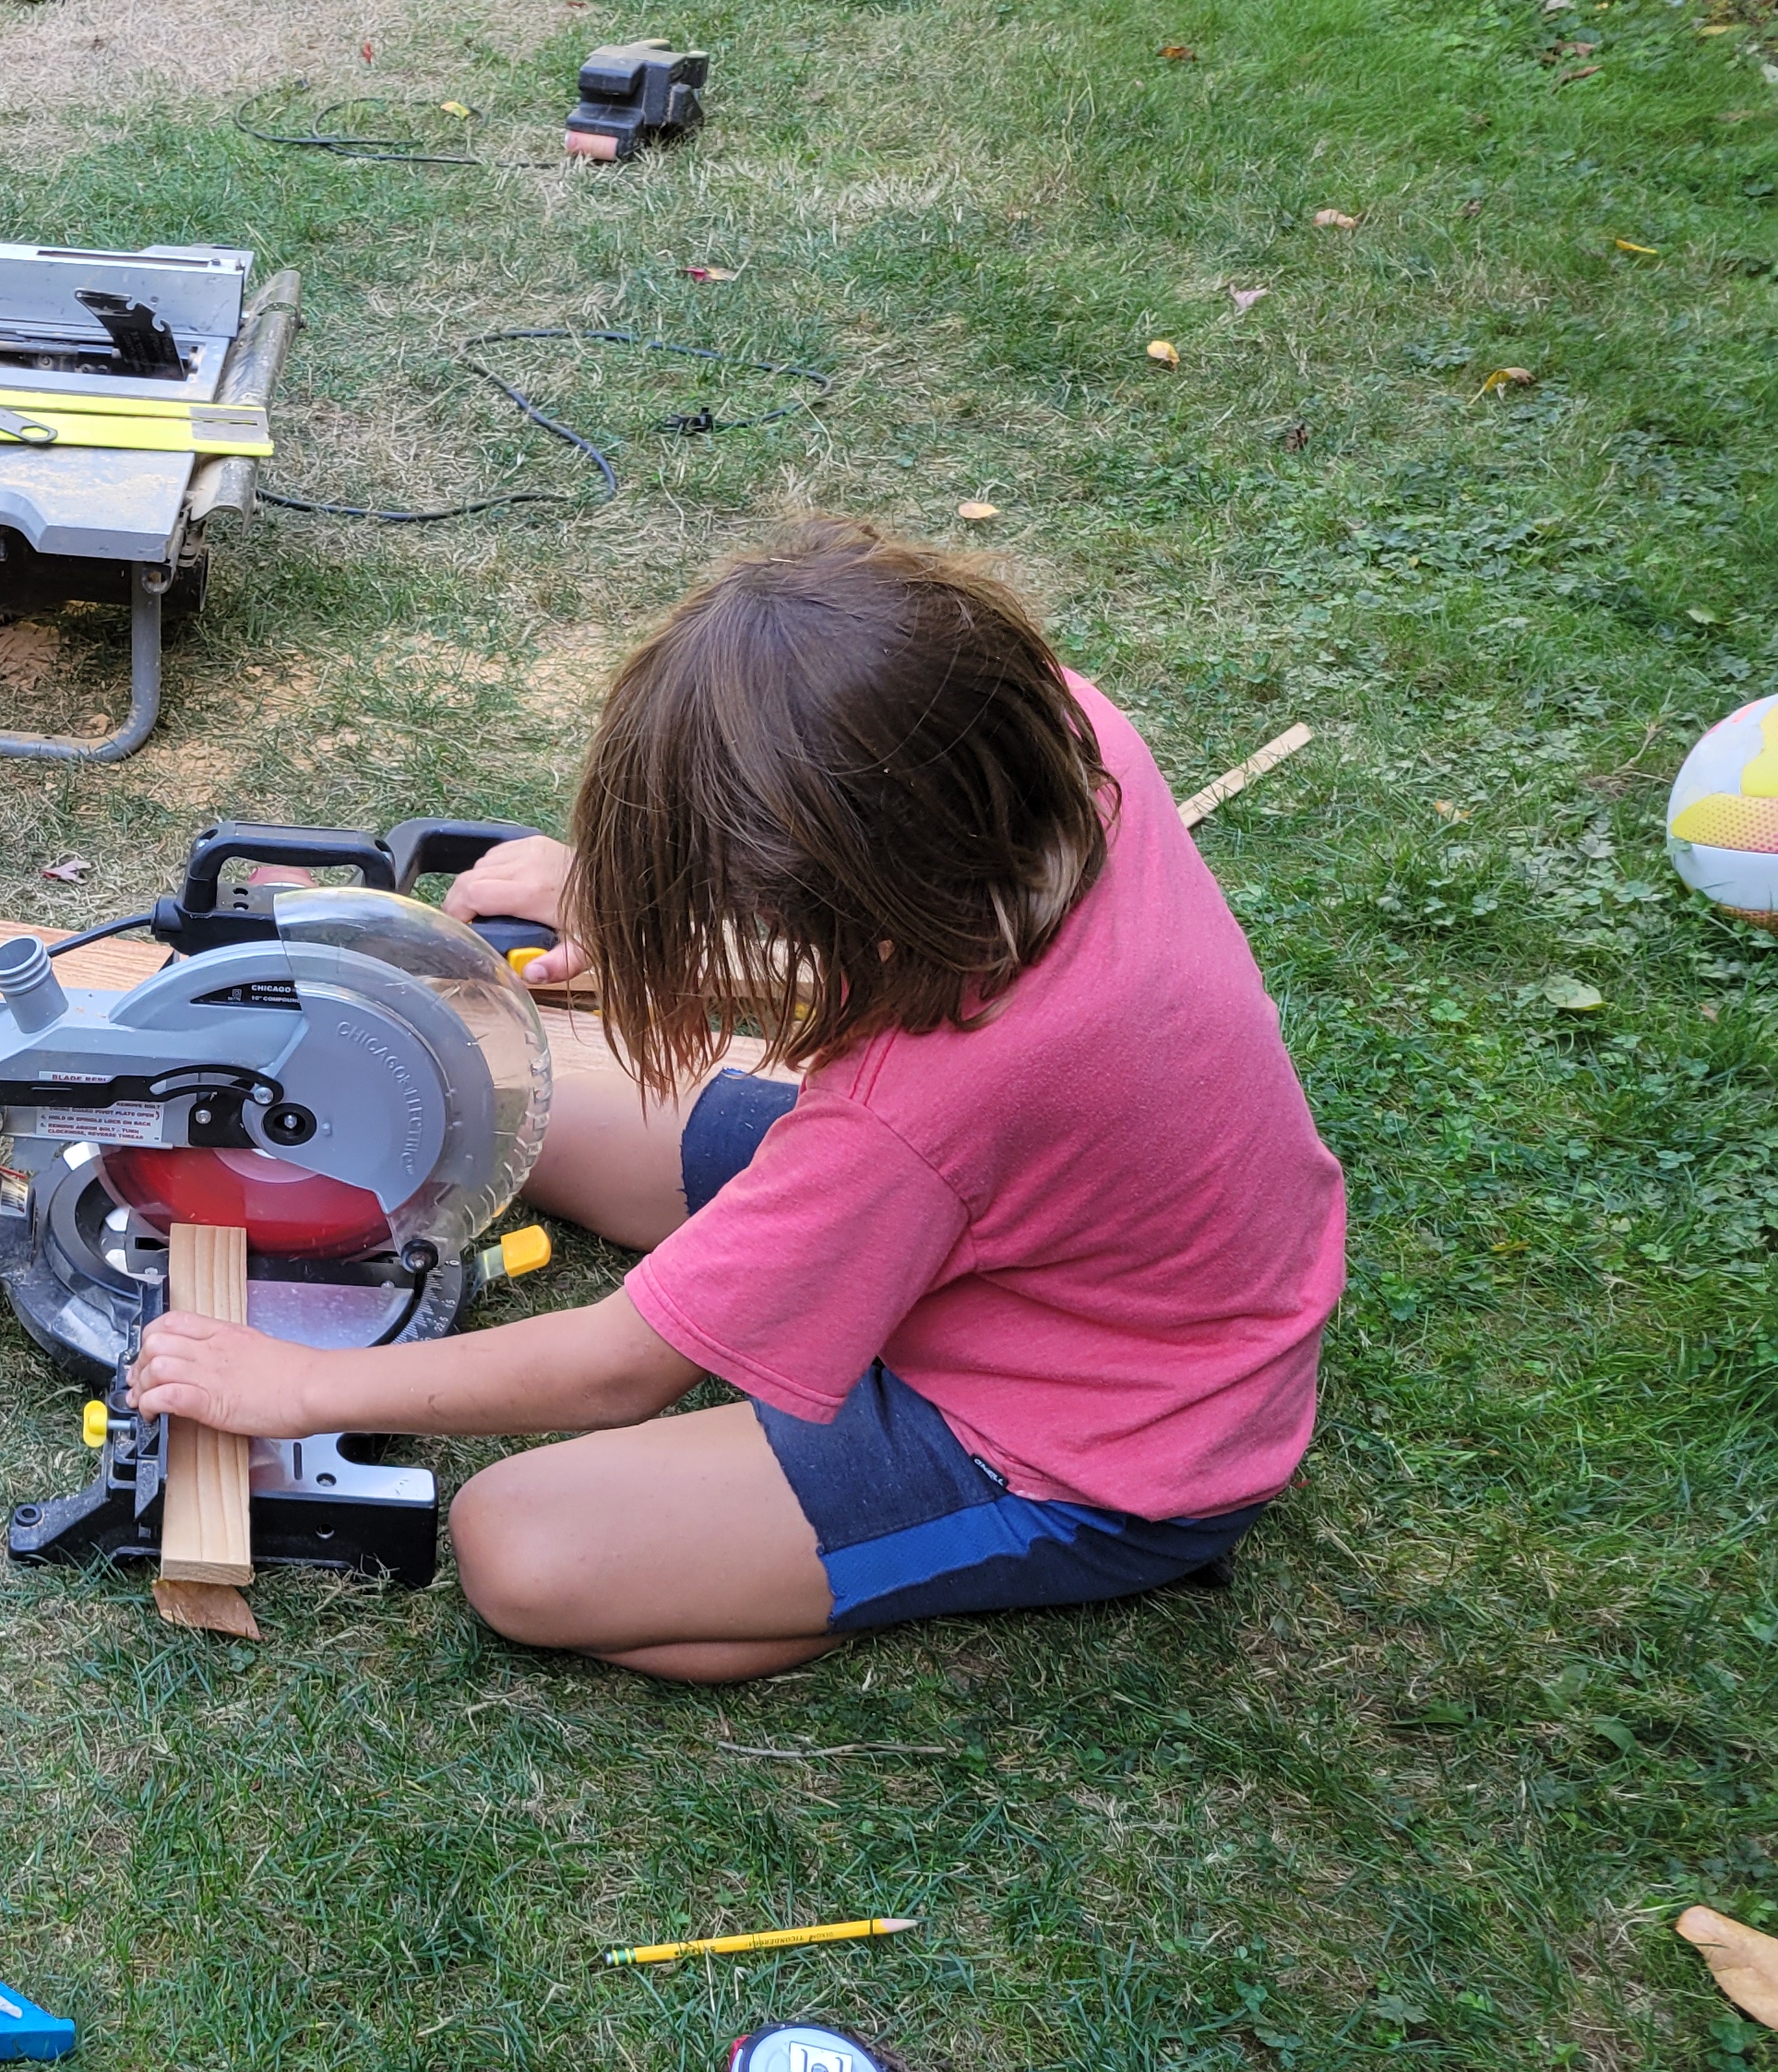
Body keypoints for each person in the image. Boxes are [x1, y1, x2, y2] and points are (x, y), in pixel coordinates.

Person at [127, 518, 1346, 1682]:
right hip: (1027, 1221)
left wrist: (296, 1385)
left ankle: (847, 1563)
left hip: (1103, 1440)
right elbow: (920, 974)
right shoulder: (1052, 739)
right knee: (521, 1105)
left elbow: (620, 1373)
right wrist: (643, 928)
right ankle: (788, 1480)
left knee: (522, 1550)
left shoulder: (920, 1113)